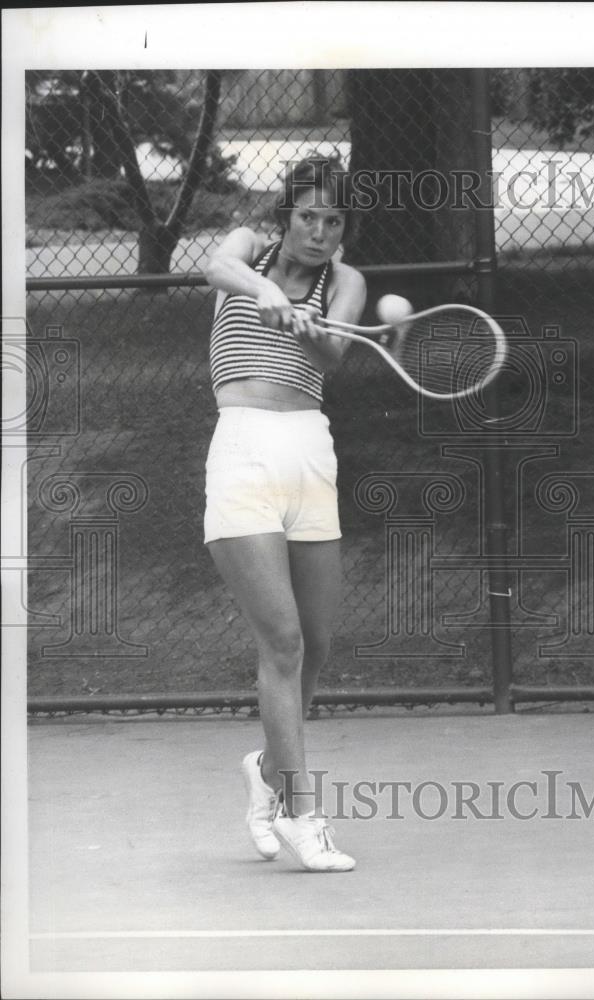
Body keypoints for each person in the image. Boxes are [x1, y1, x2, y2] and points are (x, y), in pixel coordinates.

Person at [203, 156, 366, 872]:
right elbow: (216, 267)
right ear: (285, 216)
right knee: (284, 642)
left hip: (309, 453)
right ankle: (305, 813)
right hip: (242, 450)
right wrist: (269, 292)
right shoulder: (247, 248)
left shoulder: (348, 282)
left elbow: (332, 354)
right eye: (309, 216)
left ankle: (266, 767)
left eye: (333, 221)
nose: (321, 231)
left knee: (318, 646)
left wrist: (306, 322)